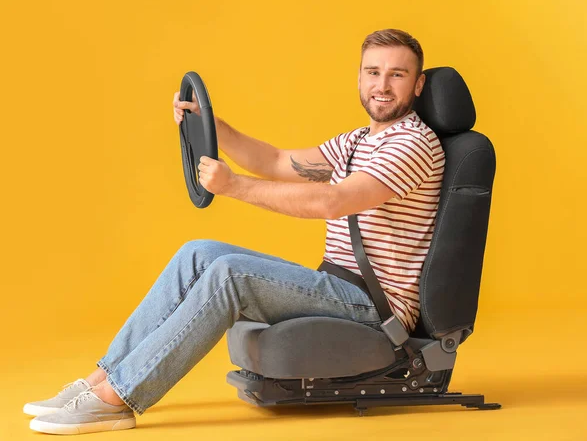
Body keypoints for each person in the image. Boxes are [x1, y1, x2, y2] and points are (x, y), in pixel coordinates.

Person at [25, 28, 444, 435]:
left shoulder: (412, 144)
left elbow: (331, 202)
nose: (382, 85)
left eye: (397, 74)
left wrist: (234, 187)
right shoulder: (358, 141)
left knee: (230, 274)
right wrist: (211, 125)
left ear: (418, 84)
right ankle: (100, 378)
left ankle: (118, 398)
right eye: (373, 72)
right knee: (199, 253)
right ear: (359, 77)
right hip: (336, 284)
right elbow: (279, 161)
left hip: (374, 306)